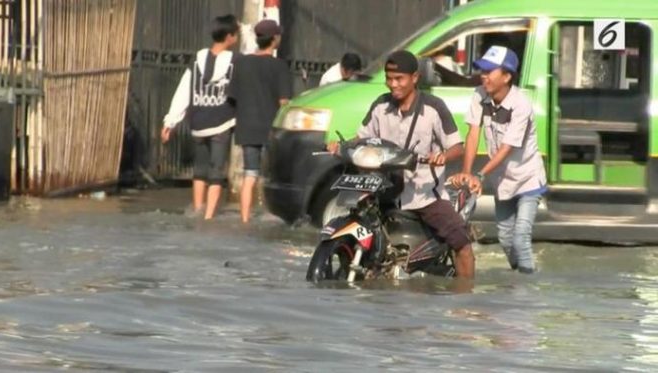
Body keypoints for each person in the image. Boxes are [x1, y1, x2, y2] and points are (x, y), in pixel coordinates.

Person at [328, 50, 475, 279]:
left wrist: (443, 157)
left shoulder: (434, 107)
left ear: (415, 78)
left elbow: (458, 146)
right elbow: (362, 138)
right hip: (384, 190)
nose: (393, 85)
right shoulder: (380, 106)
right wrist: (341, 145)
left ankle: (467, 298)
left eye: (399, 79)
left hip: (424, 195)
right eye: (389, 79)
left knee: (462, 244)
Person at [450, 46, 546, 274]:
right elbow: (473, 133)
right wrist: (466, 172)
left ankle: (527, 291)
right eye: (482, 71)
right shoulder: (479, 95)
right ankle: (519, 278)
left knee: (521, 236)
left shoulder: (521, 105)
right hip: (502, 179)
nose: (484, 76)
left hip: (528, 178)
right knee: (504, 236)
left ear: (507, 76)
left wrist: (480, 175)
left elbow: (506, 148)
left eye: (490, 71)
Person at [161, 15, 240, 220]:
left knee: (200, 169)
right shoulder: (234, 62)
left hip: (198, 123)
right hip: (221, 123)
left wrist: (170, 121)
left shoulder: (197, 60)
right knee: (216, 170)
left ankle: (197, 210)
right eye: (236, 33)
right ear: (230, 36)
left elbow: (183, 91)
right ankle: (209, 217)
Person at [229, 19, 292, 223]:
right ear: (274, 39)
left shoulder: (241, 63)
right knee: (269, 177)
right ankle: (268, 216)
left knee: (250, 175)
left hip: (247, 128)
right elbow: (284, 102)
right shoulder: (279, 66)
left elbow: (233, 96)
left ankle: (245, 219)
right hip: (271, 129)